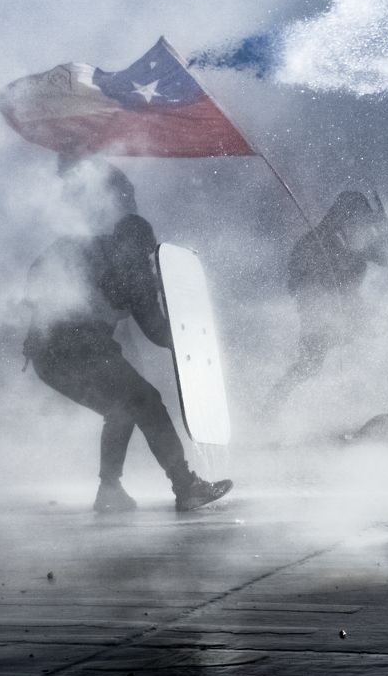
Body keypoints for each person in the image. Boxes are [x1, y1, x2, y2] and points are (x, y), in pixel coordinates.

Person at [24, 160, 232, 513]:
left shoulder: (92, 252)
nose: (139, 260)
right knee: (145, 401)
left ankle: (109, 492)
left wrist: (188, 333)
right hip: (72, 347)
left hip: (51, 355)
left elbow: (156, 330)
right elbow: (156, 331)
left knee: (122, 410)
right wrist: (186, 338)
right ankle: (185, 486)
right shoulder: (102, 259)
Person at [264, 190, 388, 413]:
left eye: (364, 220)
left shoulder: (353, 243)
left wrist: (386, 229)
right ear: (343, 216)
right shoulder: (313, 243)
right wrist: (323, 295)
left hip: (353, 317)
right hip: (320, 323)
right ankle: (269, 408)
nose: (361, 225)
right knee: (308, 367)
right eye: (357, 218)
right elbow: (296, 285)